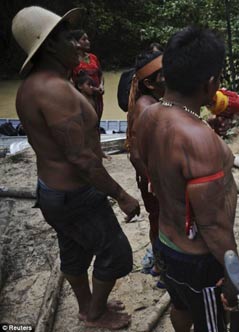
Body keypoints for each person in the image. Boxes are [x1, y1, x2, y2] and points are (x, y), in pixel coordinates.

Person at [12, 6, 140, 330]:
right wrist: (121, 194)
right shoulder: (54, 90)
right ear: (51, 46)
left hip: (53, 191)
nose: (79, 47)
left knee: (74, 250)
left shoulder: (32, 85)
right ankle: (96, 314)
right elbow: (80, 158)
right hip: (74, 193)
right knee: (116, 252)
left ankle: (87, 306)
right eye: (70, 40)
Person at [136, 27, 239, 332]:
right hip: (197, 259)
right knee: (212, 324)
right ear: (210, 83)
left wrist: (203, 130)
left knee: (180, 305)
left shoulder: (148, 115)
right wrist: (233, 276)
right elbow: (213, 225)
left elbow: (152, 168)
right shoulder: (199, 140)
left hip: (165, 244)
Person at [125, 50, 164, 280]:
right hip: (152, 178)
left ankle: (161, 261)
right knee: (159, 218)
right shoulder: (146, 107)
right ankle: (161, 266)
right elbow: (135, 155)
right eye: (165, 73)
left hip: (157, 175)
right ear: (149, 83)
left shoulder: (158, 100)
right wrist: (154, 182)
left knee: (160, 218)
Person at [70, 29, 105, 121]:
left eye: (88, 39)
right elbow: (69, 80)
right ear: (76, 42)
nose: (88, 42)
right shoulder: (72, 60)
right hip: (82, 97)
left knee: (96, 122)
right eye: (84, 39)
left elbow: (100, 74)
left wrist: (101, 85)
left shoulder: (93, 57)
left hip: (97, 97)